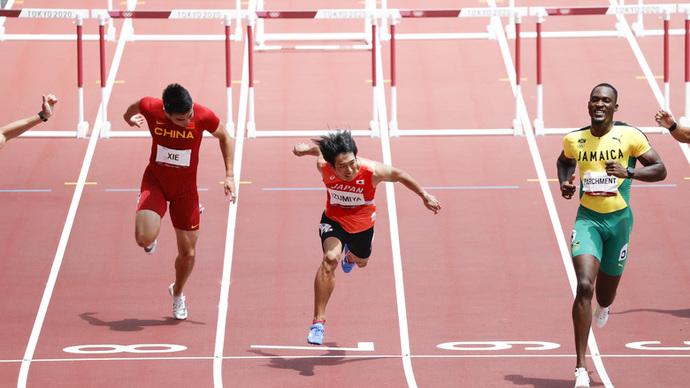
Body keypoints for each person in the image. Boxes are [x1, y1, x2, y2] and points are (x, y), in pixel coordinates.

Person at [557, 83, 666, 388]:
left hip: (619, 223)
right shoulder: (574, 139)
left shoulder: (630, 136)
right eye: (595, 99)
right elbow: (564, 161)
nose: (600, 104)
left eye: (606, 100)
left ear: (615, 108)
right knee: (583, 285)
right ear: (588, 105)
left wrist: (628, 172)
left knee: (604, 295)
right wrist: (565, 182)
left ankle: (605, 307)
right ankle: (581, 368)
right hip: (588, 220)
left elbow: (660, 169)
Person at [292, 130, 441, 345]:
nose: (349, 170)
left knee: (362, 261)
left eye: (352, 163)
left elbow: (400, 175)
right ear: (332, 165)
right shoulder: (323, 166)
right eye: (341, 166)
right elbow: (322, 152)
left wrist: (424, 195)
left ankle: (351, 258)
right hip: (334, 220)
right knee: (330, 259)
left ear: (356, 156)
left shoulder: (373, 171)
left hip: (362, 226)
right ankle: (318, 323)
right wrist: (308, 150)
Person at [123, 83, 237, 320]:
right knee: (143, 238)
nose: (187, 122)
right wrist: (128, 119)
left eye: (188, 117)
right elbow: (133, 107)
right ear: (165, 112)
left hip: (186, 192)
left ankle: (177, 293)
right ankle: (150, 226)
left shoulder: (202, 115)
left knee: (188, 254)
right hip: (155, 181)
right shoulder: (151, 107)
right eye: (180, 119)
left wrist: (229, 175)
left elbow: (224, 136)